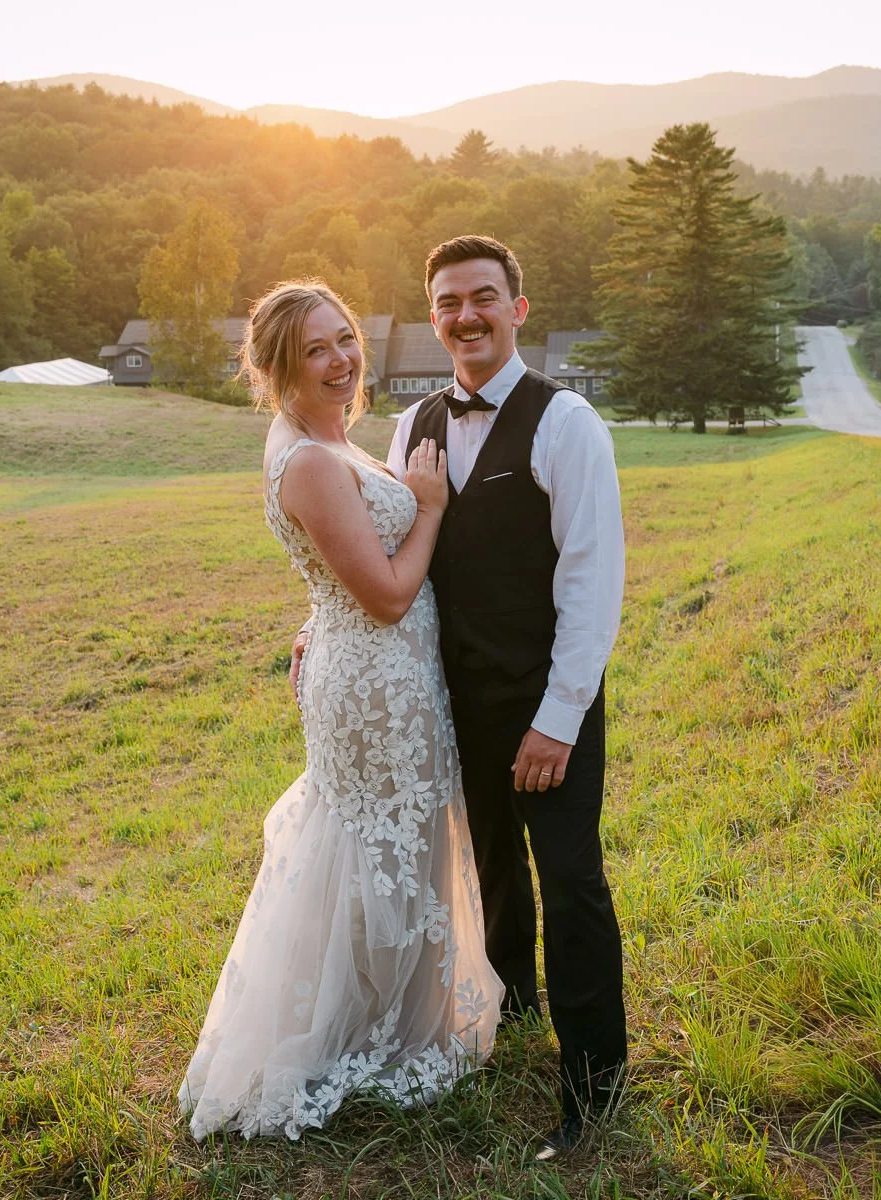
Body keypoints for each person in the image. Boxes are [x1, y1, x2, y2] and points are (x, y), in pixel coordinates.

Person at [299, 235, 628, 1159]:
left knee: (570, 888)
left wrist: (557, 720)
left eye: (483, 297)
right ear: (433, 316)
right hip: (449, 702)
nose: (465, 316)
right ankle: (516, 1016)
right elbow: (398, 555)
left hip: (543, 703)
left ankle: (594, 1087)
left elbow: (592, 586)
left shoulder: (567, 424)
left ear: (518, 310)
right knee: (487, 874)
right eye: (447, 303)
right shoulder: (414, 427)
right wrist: (317, 623)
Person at [178, 280, 503, 1141]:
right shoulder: (314, 460)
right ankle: (363, 1037)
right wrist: (429, 508)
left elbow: (337, 571)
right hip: (376, 683)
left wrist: (315, 614)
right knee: (378, 844)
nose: (341, 360)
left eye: (346, 339)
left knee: (393, 841)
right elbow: (390, 595)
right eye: (316, 349)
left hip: (378, 670)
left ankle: (386, 1019)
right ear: (278, 365)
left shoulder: (329, 441)